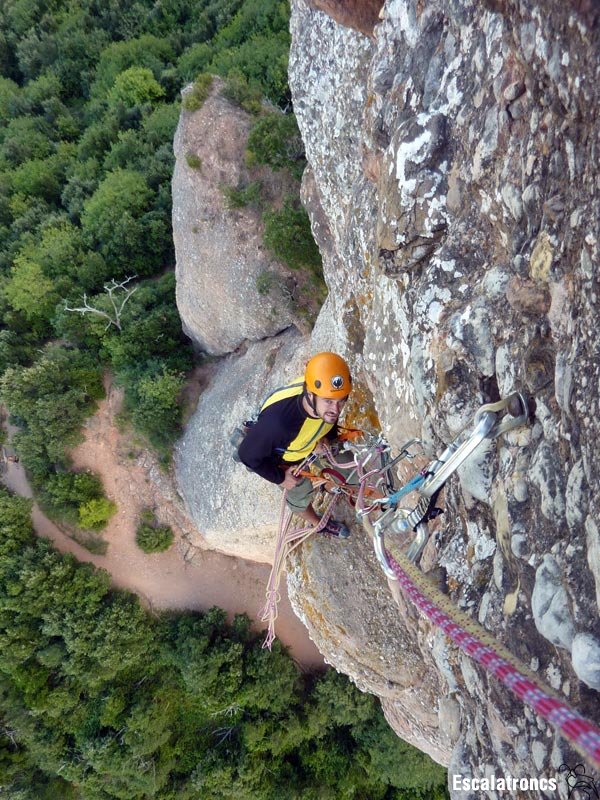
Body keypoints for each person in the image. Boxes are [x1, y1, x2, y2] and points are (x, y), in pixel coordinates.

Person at [238, 352, 356, 538]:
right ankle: (318, 524)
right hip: (285, 459)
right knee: (300, 491)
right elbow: (247, 455)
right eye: (329, 401)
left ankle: (330, 485)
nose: (336, 409)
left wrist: (326, 438)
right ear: (310, 394)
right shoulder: (280, 424)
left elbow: (327, 414)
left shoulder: (322, 394)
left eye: (342, 401)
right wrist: (280, 477)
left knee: (349, 462)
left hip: (309, 444)